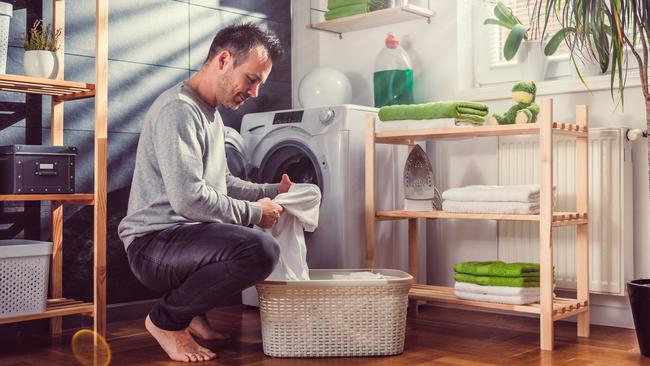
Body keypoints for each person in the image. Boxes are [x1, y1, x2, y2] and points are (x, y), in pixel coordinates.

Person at [118, 23, 290, 362]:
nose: (254, 92)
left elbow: (221, 183)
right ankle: (166, 321)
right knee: (260, 250)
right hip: (152, 244)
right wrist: (256, 213)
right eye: (251, 79)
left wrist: (275, 190)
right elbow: (189, 199)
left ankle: (193, 314)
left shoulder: (210, 115)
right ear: (224, 60)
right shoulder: (179, 110)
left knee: (242, 235)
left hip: (181, 239)